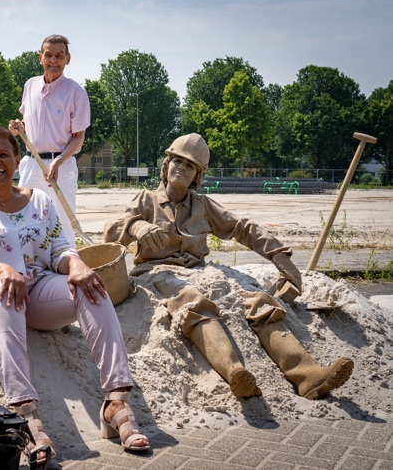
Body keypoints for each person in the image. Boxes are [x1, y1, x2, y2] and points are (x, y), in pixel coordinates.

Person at [0, 127, 149, 464]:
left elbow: (60, 250)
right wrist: (1, 269)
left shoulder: (39, 201)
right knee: (2, 291)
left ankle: (116, 403)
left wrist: (77, 265)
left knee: (91, 286)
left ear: (17, 160)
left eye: (3, 155)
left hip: (34, 290)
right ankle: (25, 416)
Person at [105, 133, 354, 400]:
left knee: (257, 300)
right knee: (191, 299)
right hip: (155, 273)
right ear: (167, 165)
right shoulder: (145, 200)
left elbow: (241, 227)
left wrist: (280, 255)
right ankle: (235, 372)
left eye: (190, 166)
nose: (182, 168)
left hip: (200, 271)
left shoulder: (202, 205)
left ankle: (307, 375)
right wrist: (136, 226)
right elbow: (110, 234)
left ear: (197, 176)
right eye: (177, 161)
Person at [8, 34, 90, 247]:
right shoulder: (30, 86)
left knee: (63, 223)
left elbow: (78, 138)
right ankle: (26, 261)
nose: (53, 60)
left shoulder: (76, 92)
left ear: (67, 59)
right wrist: (18, 128)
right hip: (31, 163)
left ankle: (68, 262)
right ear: (40, 58)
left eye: (59, 56)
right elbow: (30, 125)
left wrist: (59, 161)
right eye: (48, 55)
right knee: (22, 217)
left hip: (61, 166)